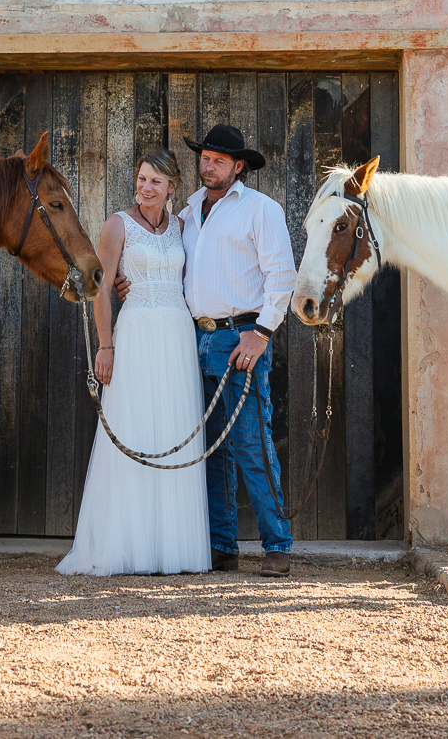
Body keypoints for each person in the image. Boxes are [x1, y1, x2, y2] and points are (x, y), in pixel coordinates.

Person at [56, 149, 212, 576]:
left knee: (174, 426)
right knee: (134, 426)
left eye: (155, 182)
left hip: (177, 335)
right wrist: (106, 346)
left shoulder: (182, 226)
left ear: (172, 188)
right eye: (142, 179)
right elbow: (101, 289)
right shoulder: (117, 224)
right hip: (137, 333)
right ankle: (125, 545)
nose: (146, 187)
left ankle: (170, 548)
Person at [178, 123, 296, 577]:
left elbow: (281, 276)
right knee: (211, 448)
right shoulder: (188, 211)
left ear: (238, 166)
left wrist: (261, 333)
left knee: (250, 441)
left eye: (219, 160)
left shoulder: (260, 210)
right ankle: (221, 546)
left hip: (240, 337)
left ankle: (277, 545)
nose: (209, 166)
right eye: (205, 158)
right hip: (196, 337)